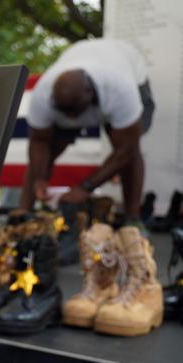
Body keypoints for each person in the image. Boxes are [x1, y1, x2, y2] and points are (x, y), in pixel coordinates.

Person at [21, 39, 154, 226]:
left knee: (129, 155)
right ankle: (21, 215)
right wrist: (40, 179)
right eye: (63, 112)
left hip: (127, 66)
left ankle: (133, 219)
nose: (69, 118)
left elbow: (126, 150)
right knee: (47, 151)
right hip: (83, 64)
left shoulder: (121, 90)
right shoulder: (42, 95)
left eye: (73, 113)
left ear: (90, 94)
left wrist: (85, 188)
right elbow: (38, 142)